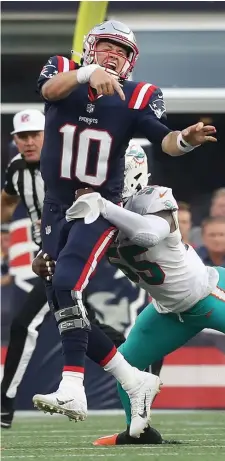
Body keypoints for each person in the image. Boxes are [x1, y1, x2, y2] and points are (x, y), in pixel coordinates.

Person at [36, 19, 217, 424]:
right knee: (60, 297)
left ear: (131, 62)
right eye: (106, 47)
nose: (113, 55)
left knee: (67, 284)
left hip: (99, 205)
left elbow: (164, 140)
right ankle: (131, 379)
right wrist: (85, 73)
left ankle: (72, 386)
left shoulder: (139, 96)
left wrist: (185, 138)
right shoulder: (64, 68)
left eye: (122, 51)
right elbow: (49, 91)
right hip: (56, 203)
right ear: (88, 48)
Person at [0, 112, 160, 437]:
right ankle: (135, 374)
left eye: (35, 134)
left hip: (78, 247)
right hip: (55, 249)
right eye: (22, 136)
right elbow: (10, 202)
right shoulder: (22, 169)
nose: (28, 141)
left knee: (46, 314)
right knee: (80, 320)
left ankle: (25, 400)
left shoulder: (70, 166)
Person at [68, 144, 225, 444]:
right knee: (127, 364)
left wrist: (104, 206)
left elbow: (149, 234)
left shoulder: (153, 197)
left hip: (206, 292)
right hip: (168, 309)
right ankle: (138, 431)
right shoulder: (100, 210)